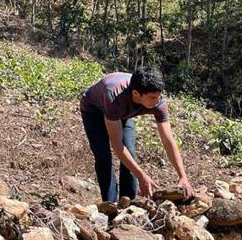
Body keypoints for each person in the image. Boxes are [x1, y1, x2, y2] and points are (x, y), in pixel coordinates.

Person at [80, 67, 193, 201]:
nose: (157, 101)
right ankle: (110, 205)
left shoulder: (158, 101)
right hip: (94, 110)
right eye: (152, 97)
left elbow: (168, 140)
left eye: (159, 96)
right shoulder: (114, 95)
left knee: (130, 153)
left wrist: (183, 176)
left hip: (122, 113)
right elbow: (116, 144)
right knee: (103, 156)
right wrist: (141, 175)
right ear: (135, 93)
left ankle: (128, 202)